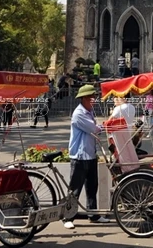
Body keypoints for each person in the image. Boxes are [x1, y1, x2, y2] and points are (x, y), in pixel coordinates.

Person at [64, 84, 109, 230]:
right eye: (91, 97)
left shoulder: (89, 112)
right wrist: (105, 126)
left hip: (90, 153)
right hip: (79, 155)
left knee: (92, 187)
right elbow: (93, 129)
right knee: (75, 188)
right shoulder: (79, 114)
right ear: (83, 98)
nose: (93, 100)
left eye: (94, 97)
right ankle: (68, 217)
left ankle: (93, 214)